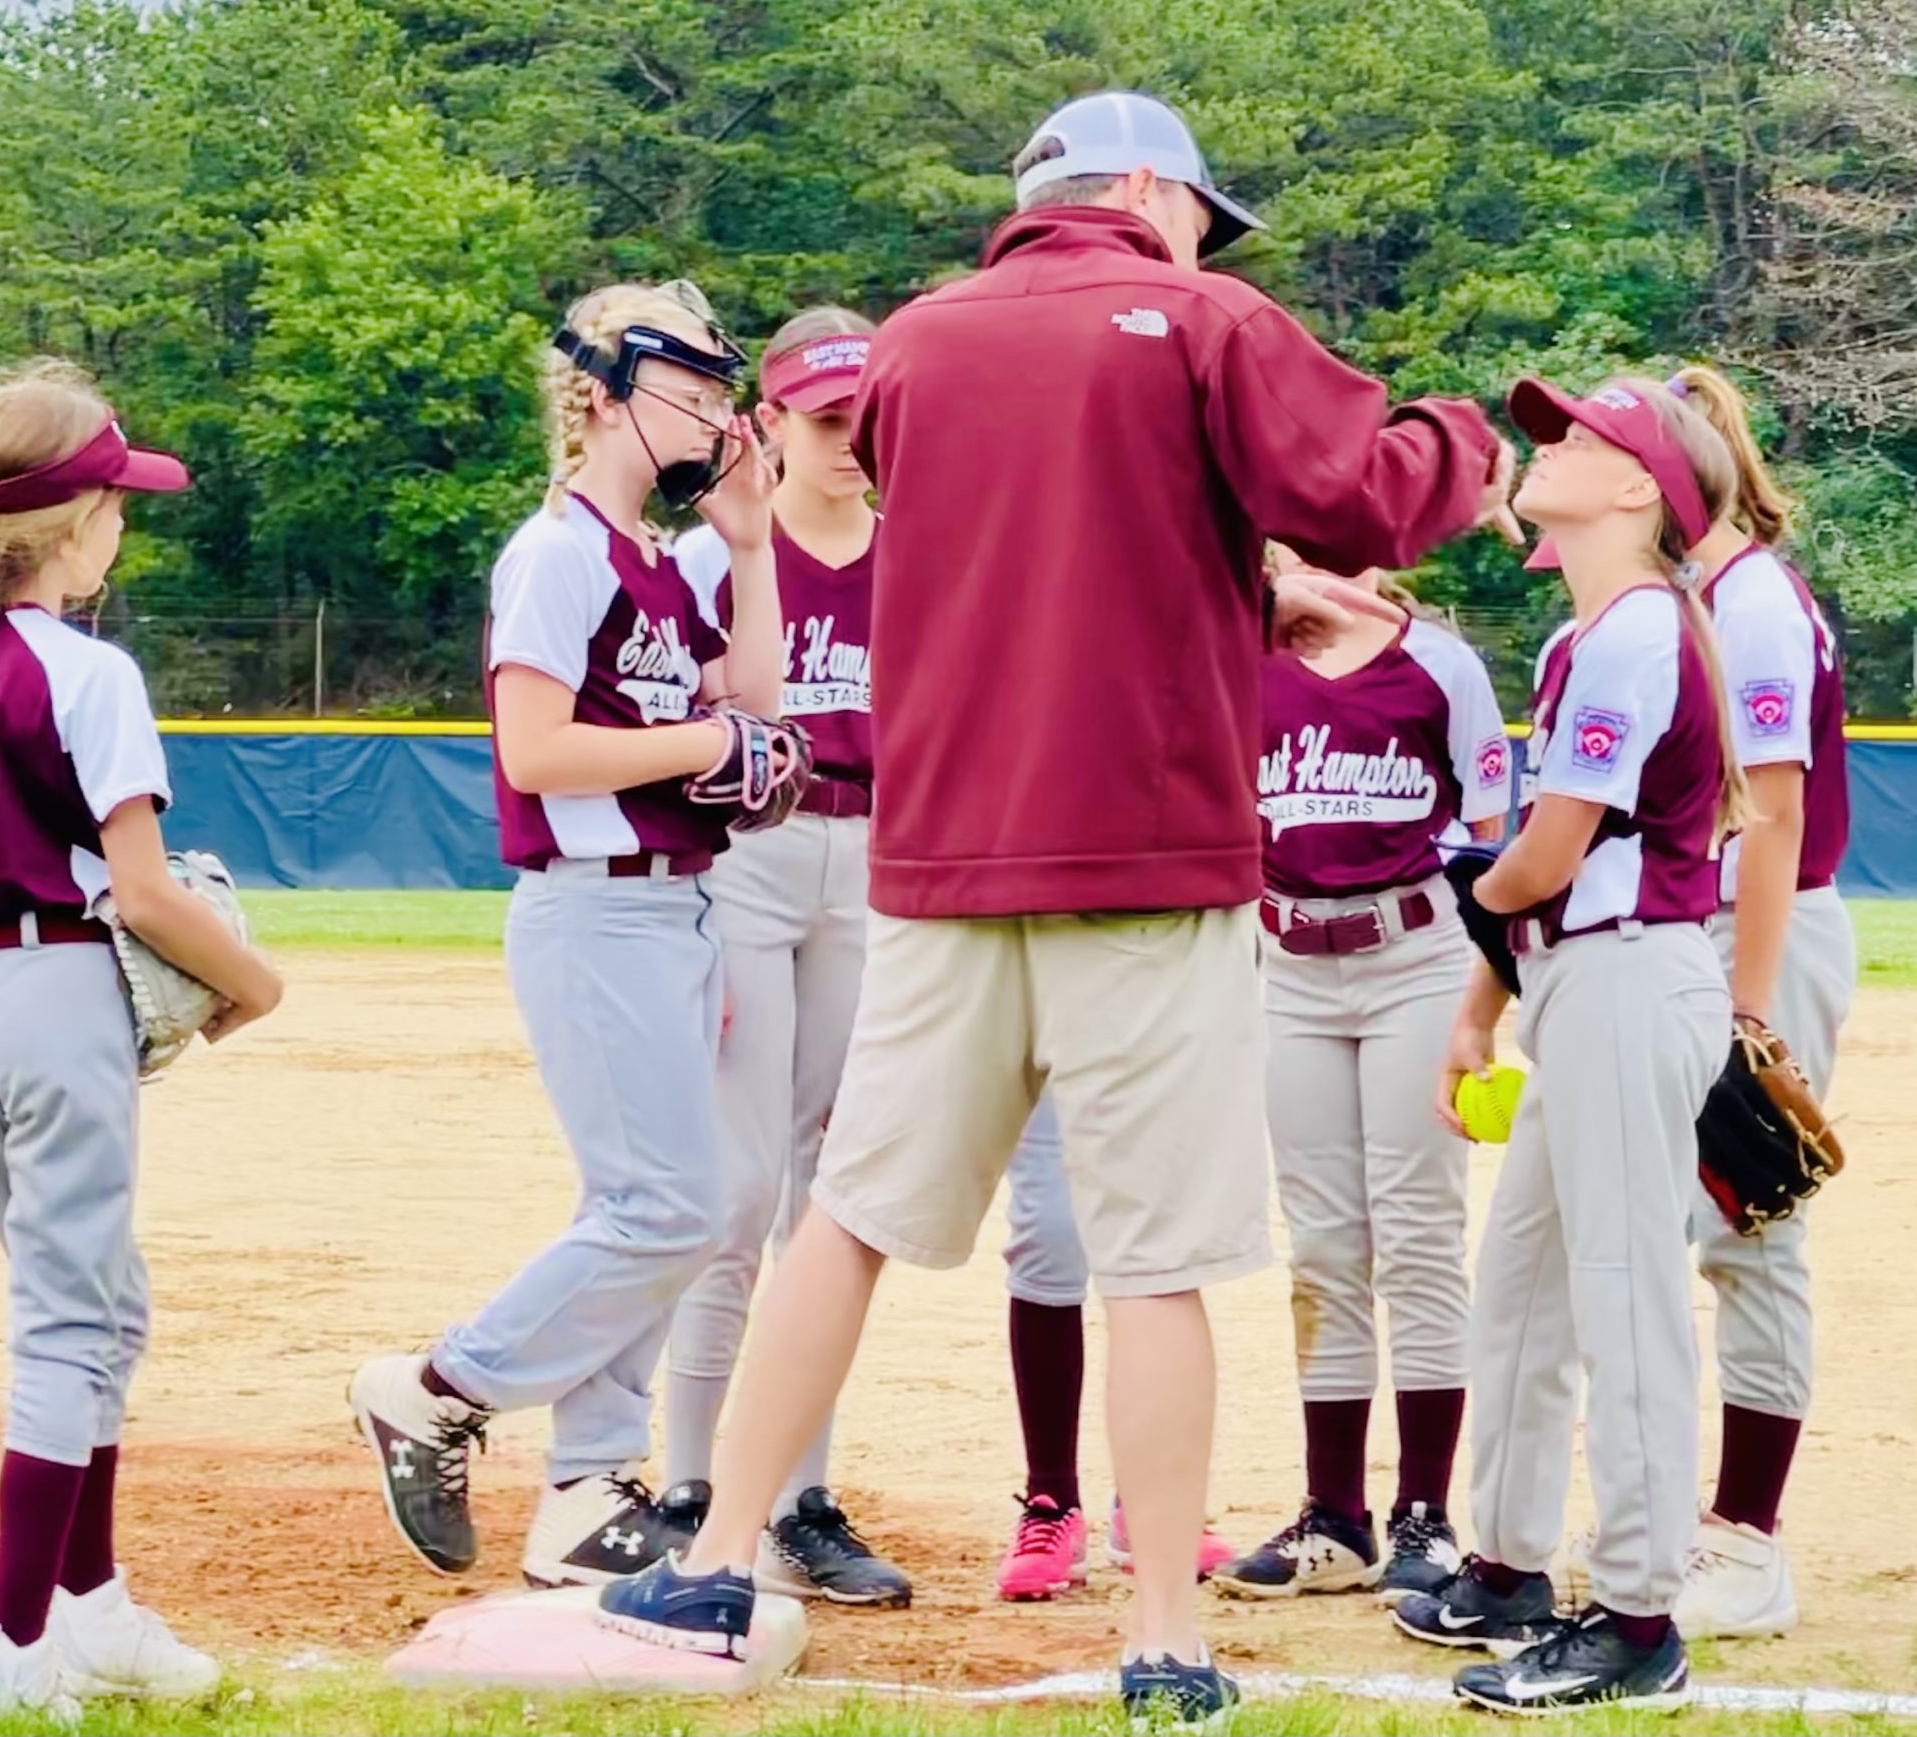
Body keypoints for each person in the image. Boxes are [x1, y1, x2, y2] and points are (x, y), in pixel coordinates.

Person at [601, 91, 1509, 1722]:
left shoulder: (916, 345)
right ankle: (1166, 1636)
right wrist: (1469, 442)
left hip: (945, 855)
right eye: (1198, 217)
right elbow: (1363, 496)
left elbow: (1051, 545)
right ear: (1151, 188)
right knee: (1154, 1260)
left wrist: (1243, 597)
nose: (1203, 246)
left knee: (850, 1217)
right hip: (1144, 857)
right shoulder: (1203, 319)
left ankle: (716, 1558)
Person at [0, 361, 284, 1724]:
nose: (123, 524)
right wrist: (252, 985)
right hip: (57, 996)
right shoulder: (88, 671)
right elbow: (143, 893)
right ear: (73, 524)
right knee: (71, 1324)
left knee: (101, 1303)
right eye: (115, 503)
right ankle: (13, 1652)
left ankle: (90, 1608)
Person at [348, 282, 794, 1592]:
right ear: (602, 394)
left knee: (657, 1207)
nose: (715, 411)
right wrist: (704, 743)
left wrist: (751, 548)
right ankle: (439, 1387)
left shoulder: (652, 557)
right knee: (671, 1210)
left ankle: (589, 1486)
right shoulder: (558, 552)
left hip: (673, 904)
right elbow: (536, 751)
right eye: (691, 386)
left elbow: (757, 696)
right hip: (597, 906)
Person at [1392, 376, 1739, 1714]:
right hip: (1575, 981)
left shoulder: (1639, 627)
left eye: (1584, 438)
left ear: (1641, 489)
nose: (1549, 447)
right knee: (1526, 1285)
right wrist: (1482, 997)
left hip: (1628, 977)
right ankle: (1508, 1564)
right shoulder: (1586, 631)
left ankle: (1641, 1617)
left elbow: (1543, 860)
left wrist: (1463, 888)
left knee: (1623, 1295)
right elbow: (1537, 879)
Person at [661, 308, 911, 1607]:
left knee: (836, 1188)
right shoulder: (718, 554)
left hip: (872, 861)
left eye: (864, 416)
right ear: (770, 421)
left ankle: (800, 1495)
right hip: (749, 854)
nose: (848, 441)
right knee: (739, 1180)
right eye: (823, 418)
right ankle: (691, 1487)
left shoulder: (922, 551)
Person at [1206, 564, 1512, 1606]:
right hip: (1288, 964)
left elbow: (1486, 837)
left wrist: (1480, 997)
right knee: (1324, 1242)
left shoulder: (1439, 663)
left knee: (1418, 1229)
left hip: (1416, 954)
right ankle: (1335, 1516)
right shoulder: (1239, 653)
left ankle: (1424, 1513)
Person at [1668, 364, 1855, 1638]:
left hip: (1759, 932)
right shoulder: (1694, 598)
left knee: (1749, 1228)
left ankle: (1746, 1537)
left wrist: (1745, 1002)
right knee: (1671, 1225)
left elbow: (1774, 818)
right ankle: (1685, 1517)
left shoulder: (1752, 602)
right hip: (1701, 931)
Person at [989, 1095, 1237, 1600]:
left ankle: (1152, 1505)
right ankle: (1051, 1499)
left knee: (1154, 1239)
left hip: (1152, 1048)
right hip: (1040, 1048)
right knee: (1048, 1233)